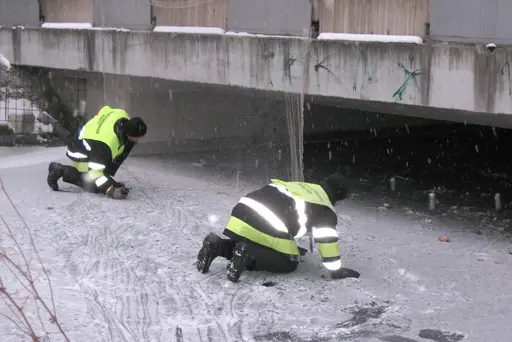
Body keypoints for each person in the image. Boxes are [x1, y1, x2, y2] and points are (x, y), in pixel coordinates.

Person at [196, 173, 360, 282]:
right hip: (266, 221)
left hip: (242, 213)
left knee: (256, 241)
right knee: (289, 262)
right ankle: (248, 253)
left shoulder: (306, 188)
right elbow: (327, 240)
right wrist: (336, 270)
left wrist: (291, 246)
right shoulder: (324, 207)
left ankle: (217, 246)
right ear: (339, 198)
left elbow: (288, 212)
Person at [46, 105, 147, 199]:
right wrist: (109, 189)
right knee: (92, 184)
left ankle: (104, 175)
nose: (139, 140)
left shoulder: (122, 114)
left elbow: (105, 109)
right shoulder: (106, 145)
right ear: (128, 134)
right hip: (81, 152)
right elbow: (94, 173)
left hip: (91, 141)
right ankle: (60, 170)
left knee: (105, 166)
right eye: (137, 138)